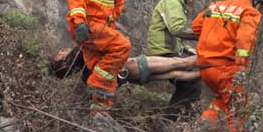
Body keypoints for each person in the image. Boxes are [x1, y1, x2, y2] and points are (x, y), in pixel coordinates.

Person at [192, 0, 263, 132]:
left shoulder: (216, 5)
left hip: (205, 67)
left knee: (223, 100)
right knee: (239, 108)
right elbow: (245, 39)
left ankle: (199, 131)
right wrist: (241, 68)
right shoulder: (250, 11)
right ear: (256, 1)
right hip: (225, 69)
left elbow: (196, 27)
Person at [66, 0, 131, 116]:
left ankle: (99, 116)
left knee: (104, 74)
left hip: (96, 28)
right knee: (122, 46)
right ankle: (96, 84)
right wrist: (79, 22)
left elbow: (110, 15)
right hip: (87, 25)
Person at [145, 0, 202, 120]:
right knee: (191, 84)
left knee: (189, 83)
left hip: (166, 50)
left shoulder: (176, 3)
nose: (192, 1)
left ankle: (175, 118)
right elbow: (176, 29)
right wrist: (202, 35)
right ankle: (172, 119)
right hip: (162, 51)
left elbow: (174, 34)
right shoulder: (172, 2)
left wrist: (188, 49)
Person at [51, 47, 199, 84]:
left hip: (133, 77)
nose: (62, 50)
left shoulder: (86, 76)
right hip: (133, 66)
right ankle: (213, 58)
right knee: (179, 62)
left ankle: (208, 72)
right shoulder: (84, 53)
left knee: (175, 73)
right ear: (63, 62)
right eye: (60, 54)